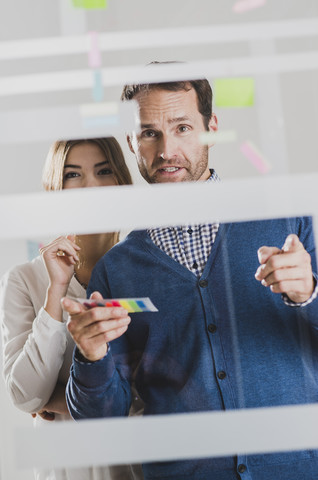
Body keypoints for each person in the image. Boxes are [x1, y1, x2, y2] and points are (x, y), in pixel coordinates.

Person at [63, 73, 318, 480]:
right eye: (149, 133)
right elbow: (101, 420)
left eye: (182, 128)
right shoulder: (117, 270)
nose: (167, 150)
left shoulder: (285, 222)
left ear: (211, 129)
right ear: (132, 143)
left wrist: (308, 295)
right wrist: (90, 357)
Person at [0, 138, 143, 480]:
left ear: (122, 182)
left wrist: (57, 401)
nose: (90, 186)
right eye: (73, 175)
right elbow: (24, 394)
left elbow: (165, 392)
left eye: (103, 171)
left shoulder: (148, 272)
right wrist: (57, 290)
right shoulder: (25, 280)